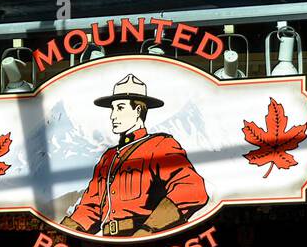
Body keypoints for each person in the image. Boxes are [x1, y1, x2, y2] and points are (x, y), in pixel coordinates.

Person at [62, 74, 208, 237]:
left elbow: (192, 189)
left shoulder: (160, 145)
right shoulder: (108, 158)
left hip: (153, 242)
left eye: (120, 108)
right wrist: (61, 233)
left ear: (138, 110)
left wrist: (149, 230)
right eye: (112, 109)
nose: (112, 115)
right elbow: (91, 207)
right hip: (109, 244)